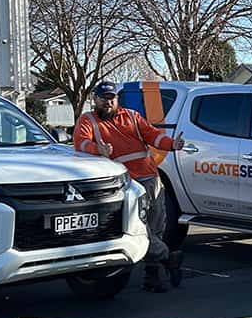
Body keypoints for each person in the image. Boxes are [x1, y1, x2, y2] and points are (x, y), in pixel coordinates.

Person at [73, 81, 186, 293]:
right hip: (125, 185)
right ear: (95, 100)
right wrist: (99, 150)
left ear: (117, 99)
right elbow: (80, 144)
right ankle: (168, 257)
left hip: (150, 179)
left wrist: (172, 144)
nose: (108, 102)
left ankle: (153, 279)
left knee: (155, 228)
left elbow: (153, 135)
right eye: (103, 98)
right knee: (137, 231)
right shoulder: (87, 120)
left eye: (111, 98)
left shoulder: (132, 116)